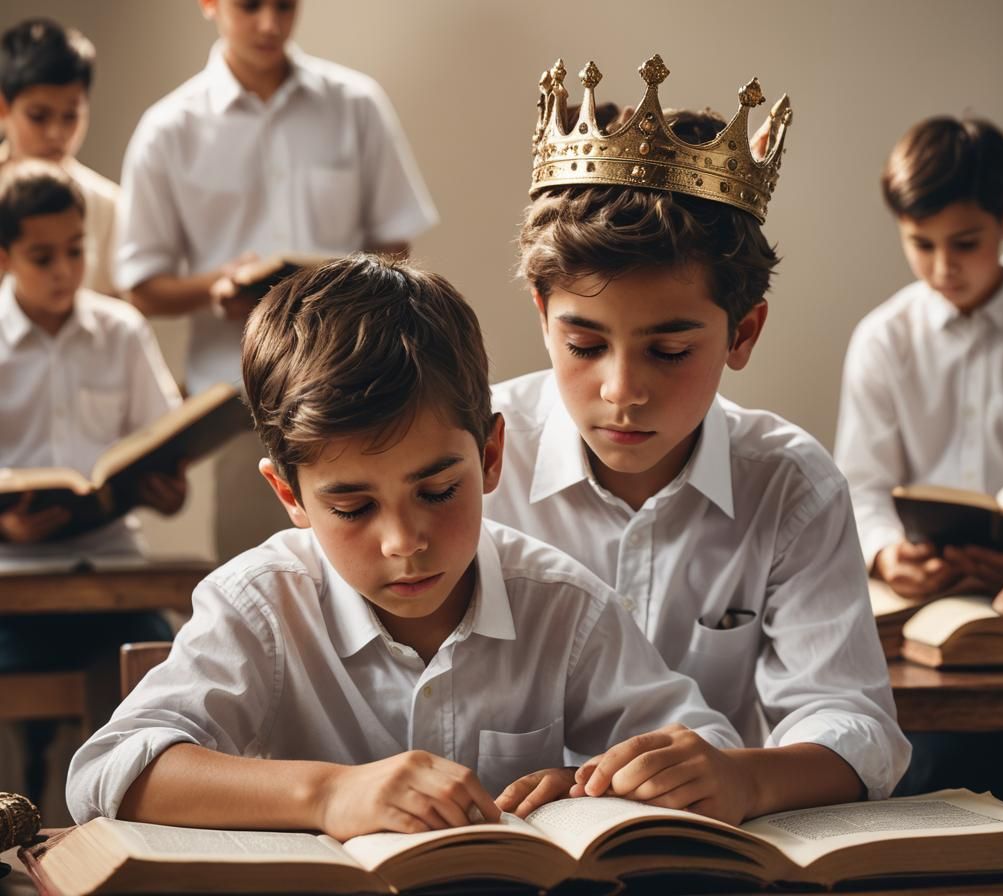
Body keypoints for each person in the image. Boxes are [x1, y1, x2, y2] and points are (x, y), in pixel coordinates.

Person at [65, 255, 809, 839]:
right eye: (352, 507)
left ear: (491, 455)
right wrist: (328, 794)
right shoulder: (260, 604)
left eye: (439, 491)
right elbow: (107, 770)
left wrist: (594, 786)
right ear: (289, 495)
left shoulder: (564, 606)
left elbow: (702, 746)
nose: (404, 543)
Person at [484, 55, 911, 805]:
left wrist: (745, 776)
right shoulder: (467, 461)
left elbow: (855, 722)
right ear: (543, 319)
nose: (622, 391)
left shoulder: (789, 485)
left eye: (671, 351)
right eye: (583, 345)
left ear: (743, 333)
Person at [115, 0, 438, 556]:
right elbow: (140, 284)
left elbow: (396, 243)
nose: (270, 23)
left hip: (354, 377)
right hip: (239, 398)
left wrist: (327, 278)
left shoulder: (355, 105)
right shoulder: (168, 130)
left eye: (286, 3)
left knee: (371, 562)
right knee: (252, 579)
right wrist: (218, 287)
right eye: (250, 4)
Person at [835, 116, 1003, 801]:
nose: (943, 267)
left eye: (965, 244)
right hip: (925, 607)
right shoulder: (885, 339)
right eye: (921, 244)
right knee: (928, 767)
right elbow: (862, 484)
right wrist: (888, 553)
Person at [0, 161, 186, 802]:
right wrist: (7, 526)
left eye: (76, 251)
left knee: (173, 665)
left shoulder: (121, 330)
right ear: (5, 258)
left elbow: (162, 441)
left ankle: (136, 822)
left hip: (113, 572)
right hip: (13, 582)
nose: (64, 270)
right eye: (42, 256)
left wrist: (168, 489)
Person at [0, 18, 119, 295]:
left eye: (70, 116)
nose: (56, 133)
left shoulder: (107, 207)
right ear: (3, 107)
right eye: (38, 116)